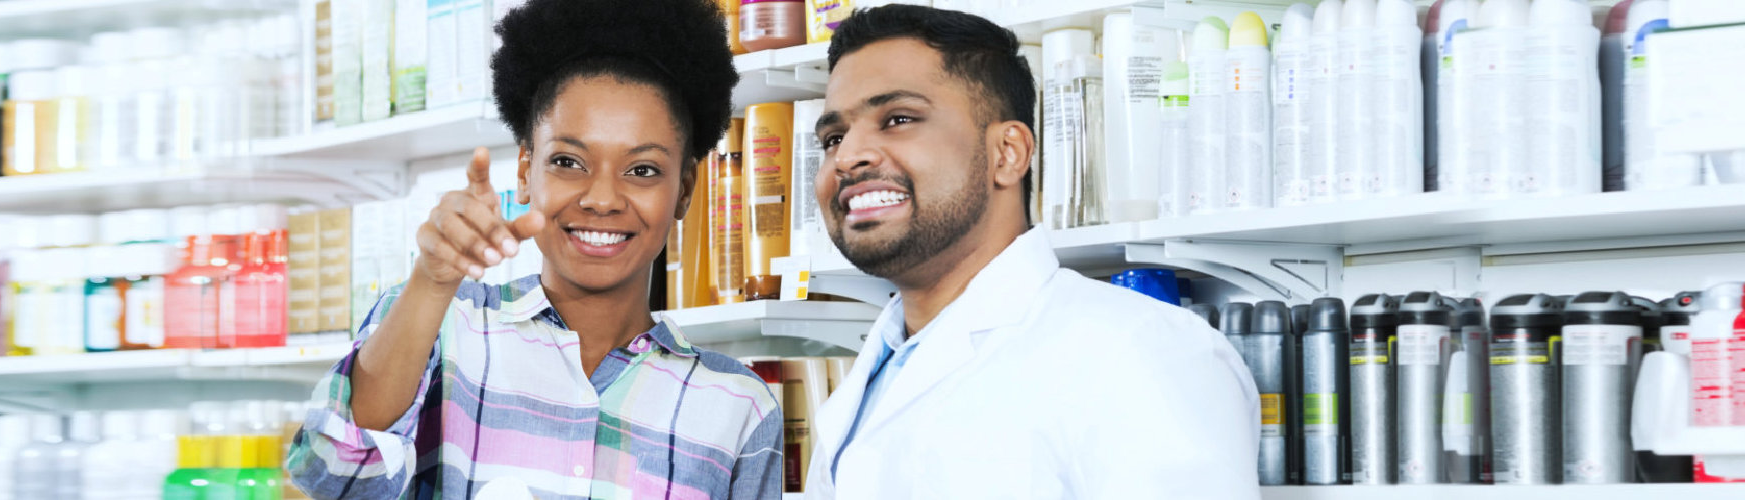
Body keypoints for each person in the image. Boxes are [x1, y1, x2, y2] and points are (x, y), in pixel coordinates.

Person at [284, 0, 783, 498]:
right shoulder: (444, 327)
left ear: (686, 188)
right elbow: (331, 475)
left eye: (643, 170)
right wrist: (432, 280)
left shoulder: (739, 406)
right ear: (525, 171)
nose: (603, 199)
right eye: (569, 161)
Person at [801, 5, 1261, 498]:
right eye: (833, 138)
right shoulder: (872, 377)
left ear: (1008, 153)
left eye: (897, 118)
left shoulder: (1143, 352)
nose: (848, 156)